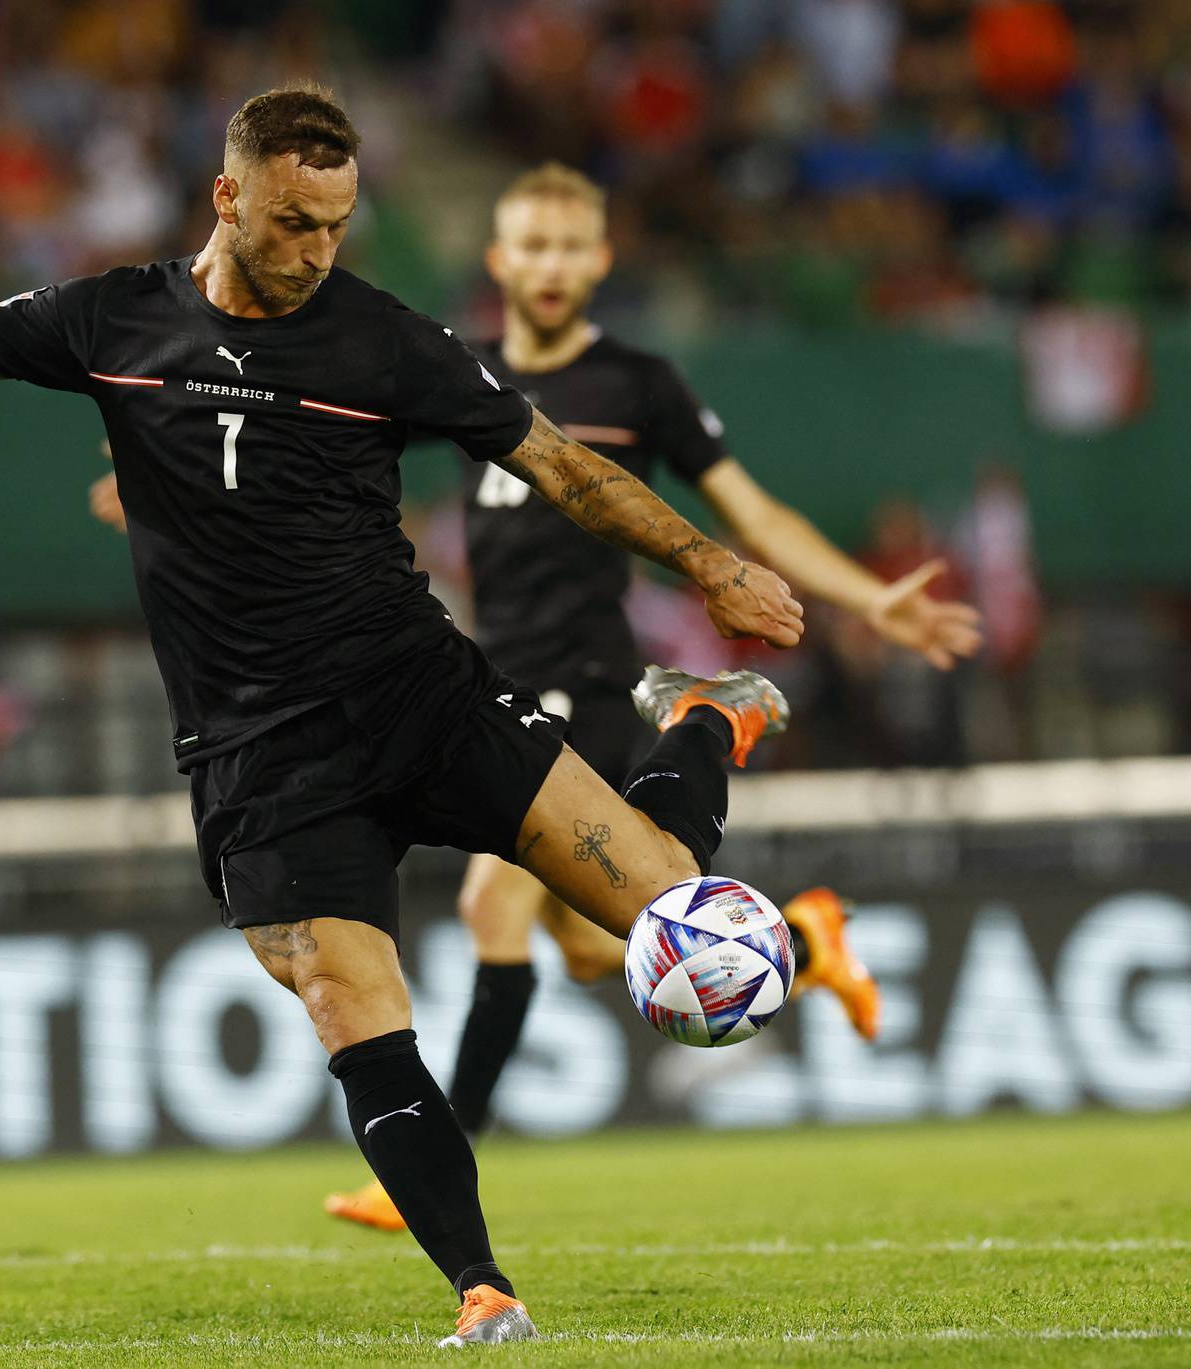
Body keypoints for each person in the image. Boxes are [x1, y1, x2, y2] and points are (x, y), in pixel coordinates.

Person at [0, 84, 807, 1348]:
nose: (314, 252)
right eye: (292, 222)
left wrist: (710, 565)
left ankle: (707, 720)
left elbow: (562, 466)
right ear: (228, 195)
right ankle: (483, 1288)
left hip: (420, 693)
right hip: (262, 752)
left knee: (666, 899)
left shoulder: (388, 342)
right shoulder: (112, 317)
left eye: (336, 226)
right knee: (354, 995)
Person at [324, 163, 985, 1234]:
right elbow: (326, 437)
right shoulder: (467, 375)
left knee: (494, 904)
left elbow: (750, 512)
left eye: (567, 245)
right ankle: (809, 943)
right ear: (498, 261)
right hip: (490, 674)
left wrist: (872, 600)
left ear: (599, 260)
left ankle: (432, 1176)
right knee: (602, 946)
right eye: (528, 246)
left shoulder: (638, 385)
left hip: (582, 681)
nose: (548, 264)